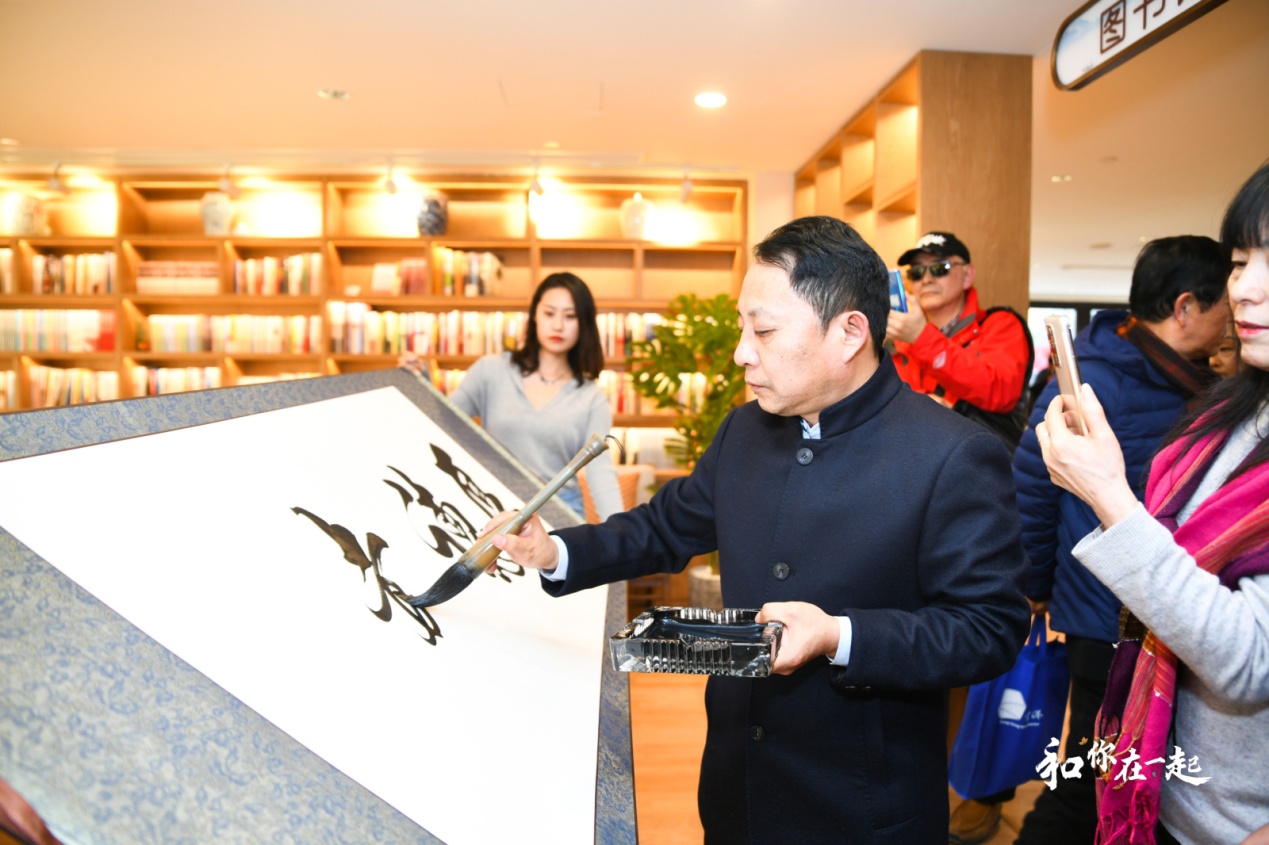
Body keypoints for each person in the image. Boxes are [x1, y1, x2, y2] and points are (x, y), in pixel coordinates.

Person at [487, 216, 1030, 843]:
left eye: (764, 330)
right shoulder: (745, 430)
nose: (742, 352)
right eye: (744, 327)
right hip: (734, 791)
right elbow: (664, 528)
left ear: (850, 332)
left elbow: (989, 628)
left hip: (863, 808)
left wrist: (840, 635)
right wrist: (553, 550)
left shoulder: (950, 453)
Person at [953, 236, 1230, 845]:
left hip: (1168, 613)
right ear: (1185, 307)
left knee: (1131, 775)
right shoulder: (1096, 379)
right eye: (1226, 300)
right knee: (1093, 778)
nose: (1235, 315)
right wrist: (1032, 589)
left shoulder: (1190, 380)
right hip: (1107, 618)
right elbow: (1032, 486)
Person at [1035, 162, 1269, 845]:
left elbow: (1246, 659)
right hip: (1166, 781)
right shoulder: (1227, 412)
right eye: (1239, 262)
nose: (1244, 288)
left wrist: (1108, 494)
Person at [403, 272, 624, 520]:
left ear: (584, 323)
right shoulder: (491, 370)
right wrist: (419, 381)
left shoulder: (592, 398)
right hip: (491, 507)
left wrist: (622, 533)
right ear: (534, 315)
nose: (558, 325)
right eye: (549, 313)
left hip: (559, 512)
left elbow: (600, 472)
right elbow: (442, 420)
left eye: (570, 316)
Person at [886, 231, 1033, 453]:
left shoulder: (1001, 324)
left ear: (967, 275)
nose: (927, 279)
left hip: (980, 462)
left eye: (939, 268)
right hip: (911, 459)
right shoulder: (899, 338)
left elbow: (999, 392)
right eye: (917, 271)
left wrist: (921, 338)